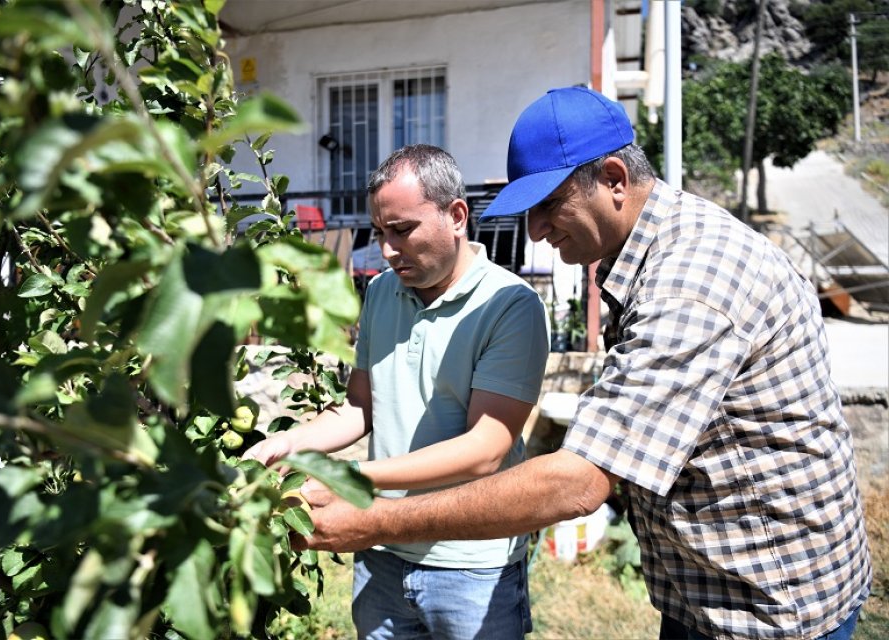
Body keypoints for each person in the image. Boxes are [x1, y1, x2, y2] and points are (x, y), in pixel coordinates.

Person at [295, 88, 873, 640]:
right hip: (709, 590)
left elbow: (576, 483)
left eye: (548, 206)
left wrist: (368, 519)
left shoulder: (690, 285)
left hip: (769, 606)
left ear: (614, 181)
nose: (537, 232)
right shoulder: (650, 254)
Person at [247, 144, 550, 639]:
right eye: (380, 232)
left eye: (403, 230)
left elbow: (484, 451)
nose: (387, 249)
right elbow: (358, 408)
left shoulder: (509, 306)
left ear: (456, 216)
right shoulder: (383, 291)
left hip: (469, 560)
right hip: (382, 552)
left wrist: (350, 480)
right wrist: (289, 443)